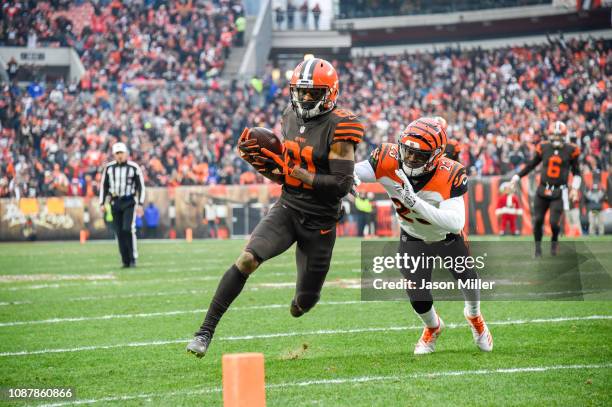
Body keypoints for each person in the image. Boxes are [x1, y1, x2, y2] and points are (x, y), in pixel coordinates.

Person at [187, 58, 364, 358]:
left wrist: (297, 173)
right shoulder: (289, 115)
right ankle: (204, 332)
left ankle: (301, 301)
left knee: (304, 302)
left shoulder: (341, 125)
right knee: (246, 260)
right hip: (288, 207)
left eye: (313, 93)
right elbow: (283, 172)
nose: (305, 98)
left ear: (330, 94)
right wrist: (263, 167)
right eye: (301, 91)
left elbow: (341, 185)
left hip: (320, 222)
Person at [354, 117, 492, 355]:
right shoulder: (387, 158)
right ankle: (433, 327)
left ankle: (474, 316)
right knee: (417, 297)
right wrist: (346, 179)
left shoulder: (451, 172)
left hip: (446, 237)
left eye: (419, 156)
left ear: (436, 156)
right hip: (412, 236)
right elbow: (356, 171)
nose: (409, 160)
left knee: (468, 281)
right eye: (407, 152)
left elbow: (455, 222)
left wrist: (415, 203)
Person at [511, 121, 581, 257]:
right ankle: (538, 249)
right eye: (554, 136)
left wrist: (574, 189)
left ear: (564, 136)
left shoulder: (571, 150)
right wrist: (517, 177)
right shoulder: (544, 147)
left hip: (559, 191)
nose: (556, 138)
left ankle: (554, 242)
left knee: (554, 223)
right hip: (542, 190)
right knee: (537, 220)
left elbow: (577, 172)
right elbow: (531, 165)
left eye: (559, 136)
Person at [99, 142, 146, 268]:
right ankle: (125, 260)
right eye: (117, 153)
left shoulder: (134, 167)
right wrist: (102, 202)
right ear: (114, 155)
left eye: (121, 153)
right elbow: (104, 186)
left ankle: (132, 258)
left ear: (126, 153)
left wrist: (140, 203)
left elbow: (140, 186)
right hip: (115, 202)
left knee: (127, 229)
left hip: (129, 201)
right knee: (119, 232)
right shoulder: (109, 168)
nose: (119, 156)